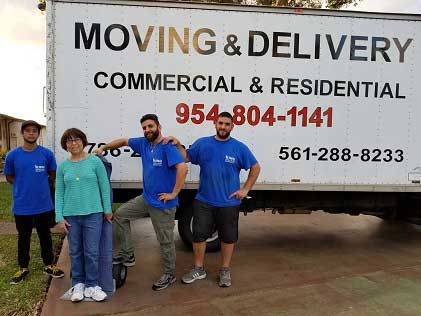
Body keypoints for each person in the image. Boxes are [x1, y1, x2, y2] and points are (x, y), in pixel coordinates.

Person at [92, 114, 187, 291]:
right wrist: (103, 147)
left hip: (163, 204)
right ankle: (128, 255)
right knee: (120, 215)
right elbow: (124, 141)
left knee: (165, 241)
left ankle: (169, 274)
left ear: (159, 126)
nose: (147, 130)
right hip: (146, 198)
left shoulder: (167, 146)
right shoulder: (143, 143)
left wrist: (174, 193)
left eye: (150, 126)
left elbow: (182, 168)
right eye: (144, 127)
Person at [166, 112, 261, 287]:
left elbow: (255, 167)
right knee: (199, 236)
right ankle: (198, 268)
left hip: (229, 203)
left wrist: (245, 189)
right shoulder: (203, 144)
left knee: (228, 238)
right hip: (204, 201)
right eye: (220, 123)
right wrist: (178, 144)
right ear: (215, 124)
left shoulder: (239, 148)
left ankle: (225, 270)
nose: (223, 127)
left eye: (227, 124)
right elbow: (185, 157)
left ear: (232, 126)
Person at [3, 120, 65, 285]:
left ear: (38, 134)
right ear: (23, 133)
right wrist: (22, 185)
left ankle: (49, 265)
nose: (31, 133)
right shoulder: (13, 155)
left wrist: (41, 186)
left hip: (43, 204)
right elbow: (9, 176)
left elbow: (52, 174)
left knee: (45, 235)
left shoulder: (46, 154)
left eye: (34, 131)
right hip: (22, 206)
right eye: (28, 131)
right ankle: (23, 267)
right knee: (24, 237)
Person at [55, 128, 112, 302]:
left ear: (83, 141)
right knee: (75, 252)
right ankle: (78, 284)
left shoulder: (95, 162)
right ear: (65, 145)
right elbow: (59, 192)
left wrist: (107, 210)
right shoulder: (63, 167)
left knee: (92, 252)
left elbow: (104, 186)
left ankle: (92, 285)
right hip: (71, 216)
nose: (73, 143)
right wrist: (59, 217)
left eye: (77, 139)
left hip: (93, 214)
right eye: (69, 141)